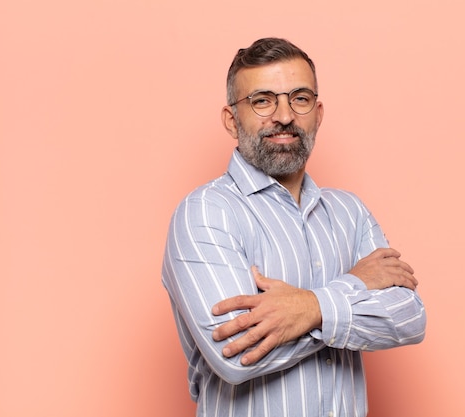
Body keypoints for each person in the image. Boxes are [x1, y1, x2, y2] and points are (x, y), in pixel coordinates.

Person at [162, 37, 426, 417]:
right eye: (262, 100)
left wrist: (307, 309)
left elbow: (409, 316)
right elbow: (236, 354)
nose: (284, 116)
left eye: (299, 98)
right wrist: (353, 286)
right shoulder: (205, 213)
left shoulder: (349, 212)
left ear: (318, 113)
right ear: (231, 119)